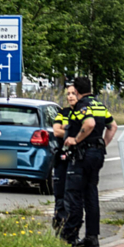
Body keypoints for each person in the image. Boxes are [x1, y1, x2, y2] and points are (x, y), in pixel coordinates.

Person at [60, 76, 118, 247]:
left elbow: (89, 123)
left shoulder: (81, 106)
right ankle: (92, 237)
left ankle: (70, 237)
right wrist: (101, 145)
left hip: (82, 155)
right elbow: (113, 126)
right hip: (96, 154)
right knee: (91, 194)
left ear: (77, 91)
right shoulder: (100, 105)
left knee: (74, 194)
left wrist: (76, 140)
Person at [50, 85, 76, 233]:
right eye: (68, 94)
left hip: (76, 156)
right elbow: (56, 131)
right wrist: (70, 131)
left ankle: (70, 226)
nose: (70, 96)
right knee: (59, 190)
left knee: (73, 192)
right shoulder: (63, 112)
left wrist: (65, 130)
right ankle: (59, 220)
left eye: (73, 93)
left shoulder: (82, 112)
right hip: (61, 156)